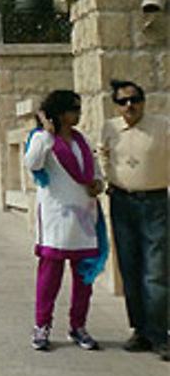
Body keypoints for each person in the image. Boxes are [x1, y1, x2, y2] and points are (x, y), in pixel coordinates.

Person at [24, 89, 106, 352]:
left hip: (83, 218)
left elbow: (95, 172)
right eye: (74, 109)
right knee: (50, 277)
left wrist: (98, 184)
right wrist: (47, 134)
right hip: (56, 220)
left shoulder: (82, 141)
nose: (78, 114)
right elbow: (33, 163)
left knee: (83, 279)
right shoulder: (42, 139)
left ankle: (78, 326)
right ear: (60, 113)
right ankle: (42, 325)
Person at [99, 79, 169, 361]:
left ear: (143, 100)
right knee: (129, 267)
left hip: (155, 203)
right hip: (122, 202)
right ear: (116, 105)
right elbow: (101, 155)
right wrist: (106, 179)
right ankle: (139, 330)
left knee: (156, 270)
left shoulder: (162, 126)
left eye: (135, 99)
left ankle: (160, 333)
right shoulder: (110, 128)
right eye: (123, 101)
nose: (130, 105)